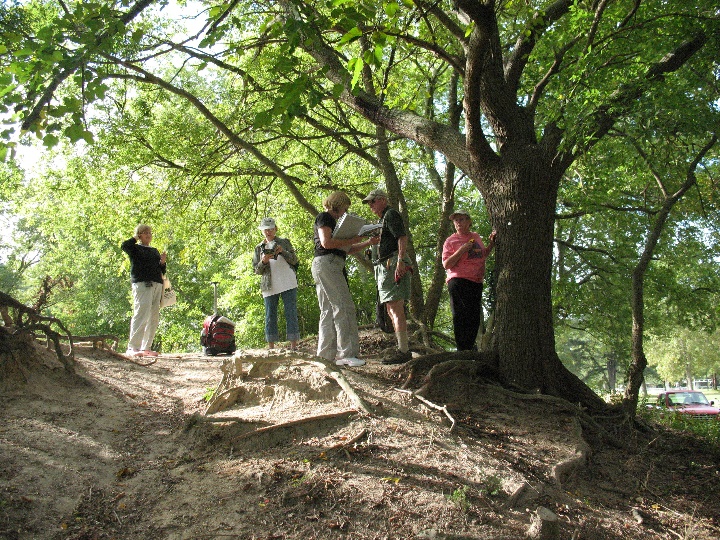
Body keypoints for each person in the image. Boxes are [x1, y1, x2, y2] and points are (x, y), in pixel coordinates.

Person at [312, 191, 380, 367]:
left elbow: (346, 249)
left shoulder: (333, 222)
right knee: (343, 306)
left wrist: (366, 242)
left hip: (328, 264)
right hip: (328, 264)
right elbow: (326, 243)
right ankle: (346, 354)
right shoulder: (325, 218)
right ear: (337, 204)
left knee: (328, 310)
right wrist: (352, 238)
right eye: (344, 208)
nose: (344, 212)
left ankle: (325, 356)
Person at [363, 189, 413, 365]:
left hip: (392, 263)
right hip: (384, 265)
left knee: (396, 307)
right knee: (391, 309)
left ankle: (404, 350)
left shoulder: (391, 214)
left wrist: (400, 260)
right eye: (369, 203)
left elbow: (402, 237)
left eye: (373, 201)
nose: (370, 205)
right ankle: (402, 347)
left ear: (382, 200)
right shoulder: (381, 219)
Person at [441, 210, 497, 351]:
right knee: (460, 315)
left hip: (476, 281)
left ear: (469, 221)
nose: (458, 223)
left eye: (461, 219)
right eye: (456, 220)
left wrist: (492, 243)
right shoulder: (451, 241)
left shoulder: (475, 236)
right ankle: (462, 349)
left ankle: (470, 347)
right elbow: (446, 264)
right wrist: (461, 250)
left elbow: (482, 255)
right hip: (458, 280)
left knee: (474, 316)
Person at [252, 217, 300, 350]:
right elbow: (256, 270)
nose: (268, 232)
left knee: (290, 312)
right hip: (269, 285)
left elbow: (295, 260)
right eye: (265, 230)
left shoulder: (284, 242)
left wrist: (282, 252)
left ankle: (293, 345)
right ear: (262, 231)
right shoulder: (258, 248)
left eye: (271, 229)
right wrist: (263, 261)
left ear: (276, 229)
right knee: (270, 314)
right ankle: (271, 346)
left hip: (288, 281)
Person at [121, 224, 167, 357]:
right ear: (140, 234)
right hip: (142, 284)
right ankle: (133, 347)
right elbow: (124, 246)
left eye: (150, 232)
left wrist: (162, 263)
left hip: (157, 284)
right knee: (142, 313)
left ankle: (146, 347)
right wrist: (135, 237)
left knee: (153, 316)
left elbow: (161, 270)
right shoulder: (134, 248)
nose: (148, 234)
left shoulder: (154, 250)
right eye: (145, 232)